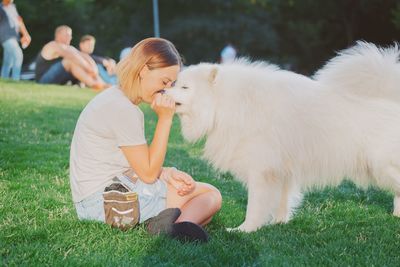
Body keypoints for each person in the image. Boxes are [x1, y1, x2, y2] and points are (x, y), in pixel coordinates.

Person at [69, 38, 222, 242]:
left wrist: (167, 173)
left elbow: (133, 163)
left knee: (203, 204)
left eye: (171, 84)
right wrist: (165, 119)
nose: (165, 90)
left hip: (97, 200)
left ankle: (172, 223)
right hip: (105, 204)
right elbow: (148, 174)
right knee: (210, 195)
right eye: (164, 81)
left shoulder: (116, 98)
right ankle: (170, 228)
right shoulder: (123, 109)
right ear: (143, 70)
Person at [35, 25, 108, 90]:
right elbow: (74, 57)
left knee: (79, 62)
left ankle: (102, 84)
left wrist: (94, 69)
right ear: (58, 35)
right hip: (43, 80)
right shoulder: (53, 45)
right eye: (67, 35)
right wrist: (90, 69)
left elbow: (84, 56)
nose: (70, 37)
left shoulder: (69, 48)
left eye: (70, 35)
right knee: (69, 61)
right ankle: (94, 84)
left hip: (58, 79)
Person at [0, 0, 31, 80]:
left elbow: (19, 22)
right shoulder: (0, 8)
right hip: (5, 37)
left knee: (8, 61)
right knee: (18, 55)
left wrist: (26, 34)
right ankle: (15, 79)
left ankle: (3, 80)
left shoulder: (13, 7)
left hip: (14, 37)